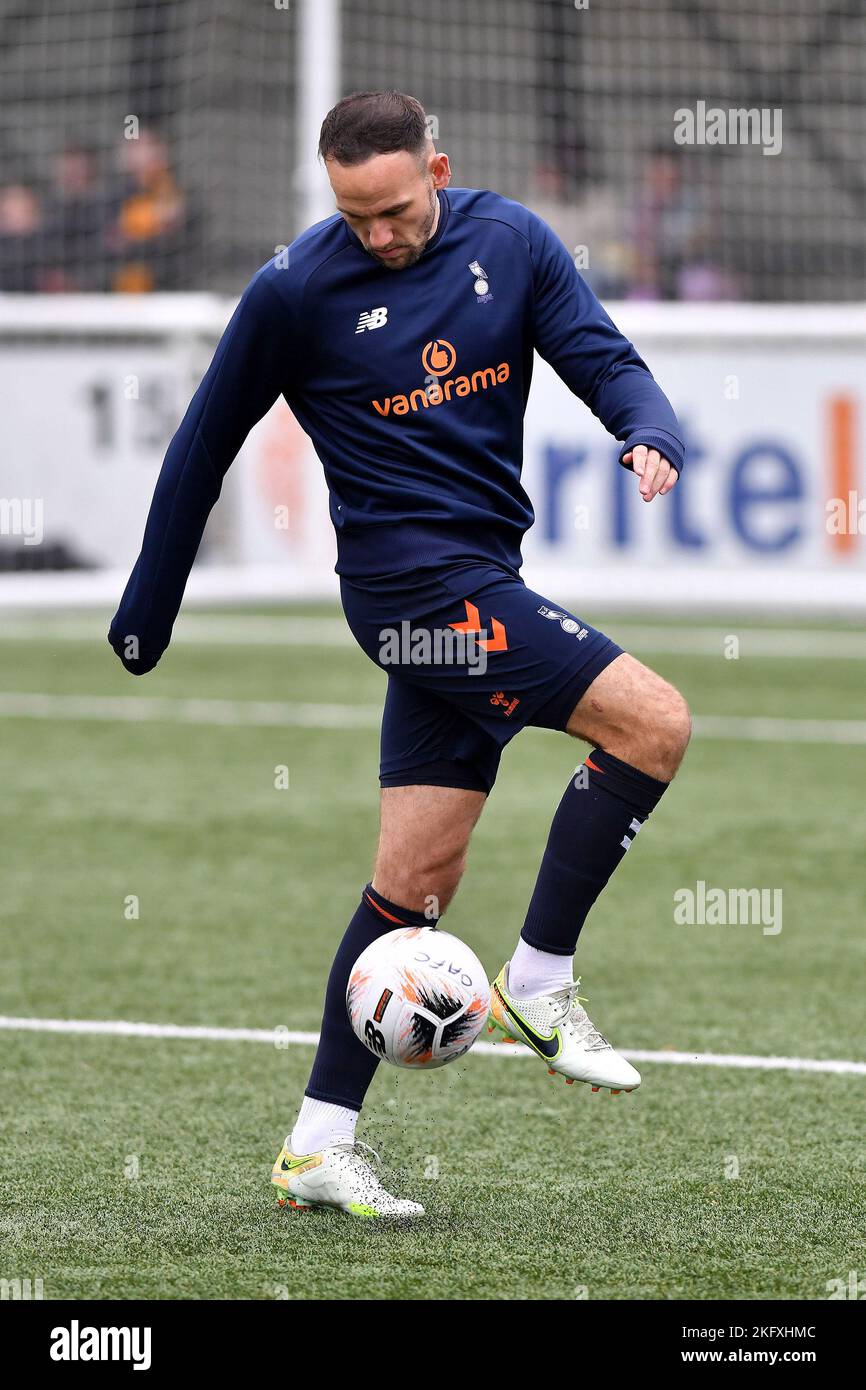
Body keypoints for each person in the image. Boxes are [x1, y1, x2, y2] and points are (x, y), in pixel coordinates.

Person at [109, 91, 690, 1220]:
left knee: (411, 886)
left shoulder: (510, 241)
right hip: (408, 595)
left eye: (392, 209)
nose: (376, 234)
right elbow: (200, 447)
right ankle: (539, 981)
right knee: (653, 722)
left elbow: (600, 356)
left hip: (485, 578)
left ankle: (316, 1145)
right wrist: (150, 605)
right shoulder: (295, 288)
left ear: (437, 166)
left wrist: (649, 429)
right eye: (352, 214)